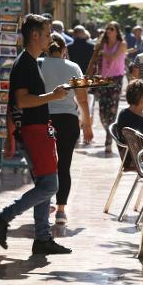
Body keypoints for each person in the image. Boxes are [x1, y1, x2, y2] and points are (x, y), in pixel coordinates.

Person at [0, 14, 71, 255]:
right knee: (50, 185)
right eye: (46, 34)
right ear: (34, 35)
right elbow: (21, 100)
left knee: (44, 184)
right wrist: (52, 97)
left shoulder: (31, 61)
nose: (49, 38)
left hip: (37, 130)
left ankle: (42, 237)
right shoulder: (25, 63)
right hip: (34, 132)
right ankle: (3, 217)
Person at [39, 34, 93, 225]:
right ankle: (61, 210)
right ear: (64, 50)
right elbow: (82, 99)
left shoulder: (38, 64)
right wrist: (87, 123)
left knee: (44, 165)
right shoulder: (73, 67)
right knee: (64, 165)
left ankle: (44, 205)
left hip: (44, 119)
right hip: (69, 120)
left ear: (47, 48)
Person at [86, 21, 127, 154]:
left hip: (116, 80)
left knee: (113, 110)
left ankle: (108, 139)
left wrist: (103, 53)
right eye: (107, 29)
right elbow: (93, 60)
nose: (108, 31)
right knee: (102, 112)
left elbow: (114, 58)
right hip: (103, 80)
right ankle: (109, 130)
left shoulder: (122, 44)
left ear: (117, 31)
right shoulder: (101, 44)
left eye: (111, 29)